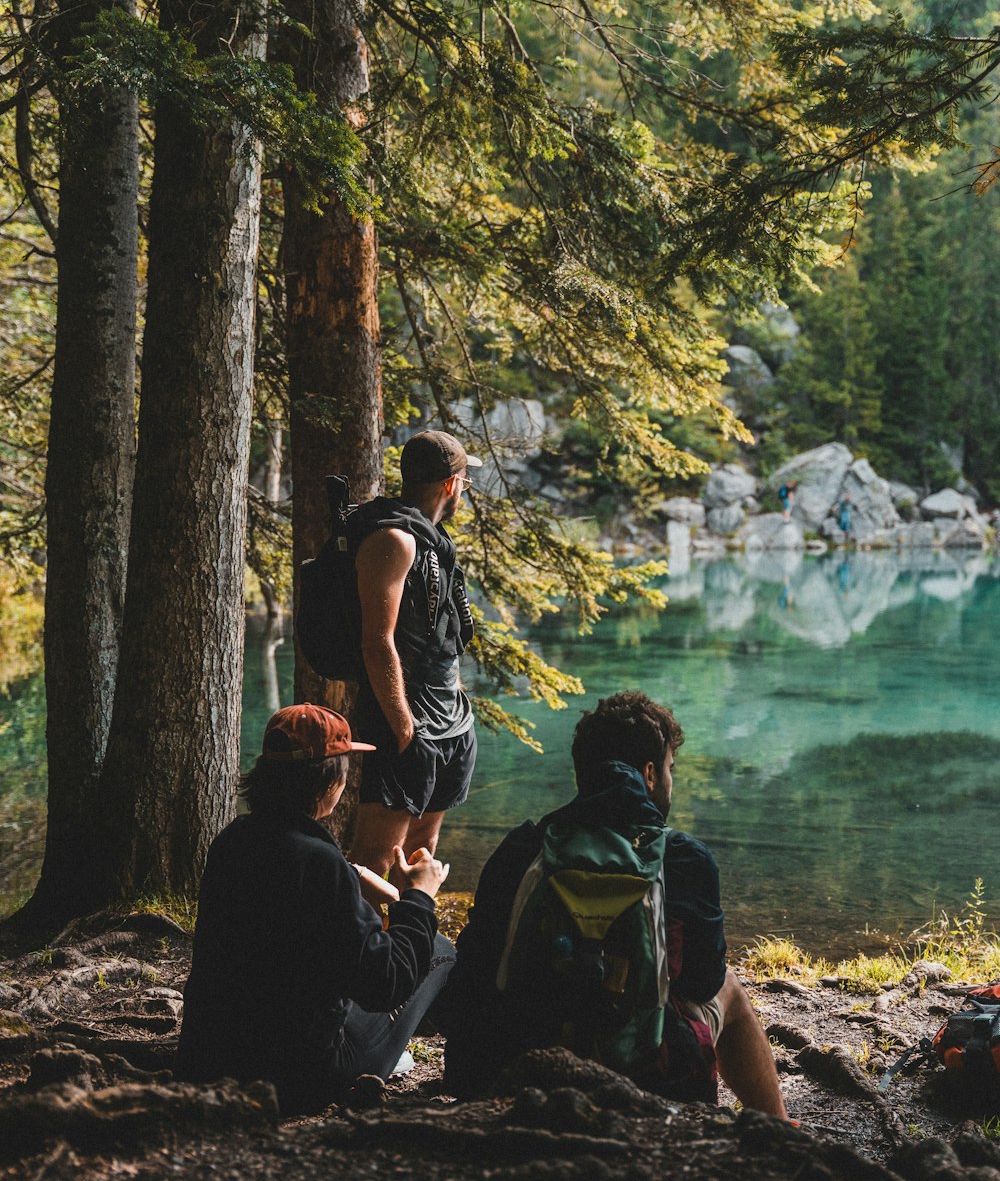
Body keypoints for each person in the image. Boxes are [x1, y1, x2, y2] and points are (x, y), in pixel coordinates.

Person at [437, 691, 787, 1118]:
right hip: (650, 1076)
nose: (671, 780)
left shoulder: (523, 847)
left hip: (512, 1067)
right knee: (730, 987)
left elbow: (474, 971)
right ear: (649, 774)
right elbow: (702, 981)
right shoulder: (682, 857)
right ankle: (780, 1129)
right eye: (670, 769)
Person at [175, 704, 455, 1115]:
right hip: (299, 1078)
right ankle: (464, 1065)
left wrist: (350, 874)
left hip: (209, 1062)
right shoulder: (319, 865)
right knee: (441, 949)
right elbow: (385, 984)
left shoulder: (233, 842)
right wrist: (419, 897)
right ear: (329, 782)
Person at [349, 429, 481, 881]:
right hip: (407, 724)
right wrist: (405, 732)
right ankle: (364, 949)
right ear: (451, 484)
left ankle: (410, 943)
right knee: (376, 859)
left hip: (449, 722)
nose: (465, 488)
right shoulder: (395, 541)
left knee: (422, 851)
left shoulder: (434, 542)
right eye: (465, 479)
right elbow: (377, 642)